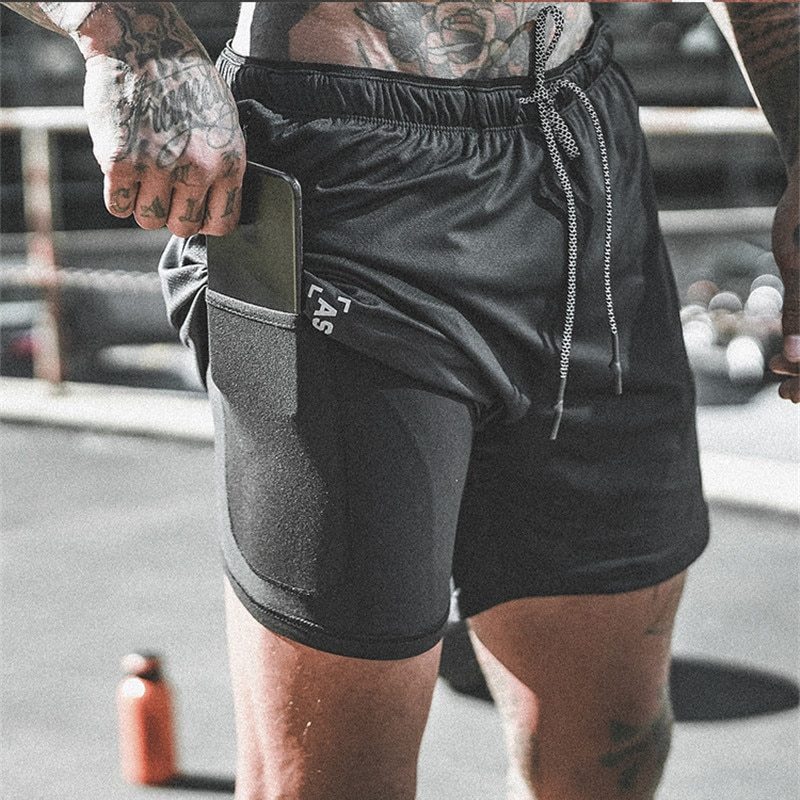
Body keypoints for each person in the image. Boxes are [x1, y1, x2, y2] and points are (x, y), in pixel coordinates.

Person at [5, 3, 797, 799]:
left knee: (612, 746)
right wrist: (125, 33)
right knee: (330, 783)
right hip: (339, 180)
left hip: (581, 159)